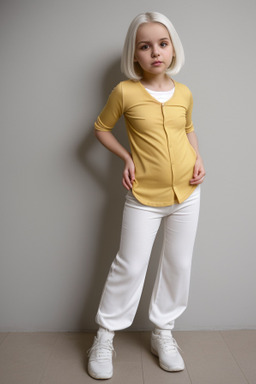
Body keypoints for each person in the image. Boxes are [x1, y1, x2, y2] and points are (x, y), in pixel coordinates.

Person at [87, 11, 206, 380]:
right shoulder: (125, 92)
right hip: (144, 196)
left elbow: (188, 129)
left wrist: (199, 158)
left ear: (172, 49)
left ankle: (163, 333)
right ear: (134, 54)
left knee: (178, 265)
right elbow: (101, 128)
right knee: (131, 264)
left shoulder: (184, 92)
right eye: (145, 46)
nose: (155, 52)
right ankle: (104, 338)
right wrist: (125, 157)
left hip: (188, 193)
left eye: (162, 43)